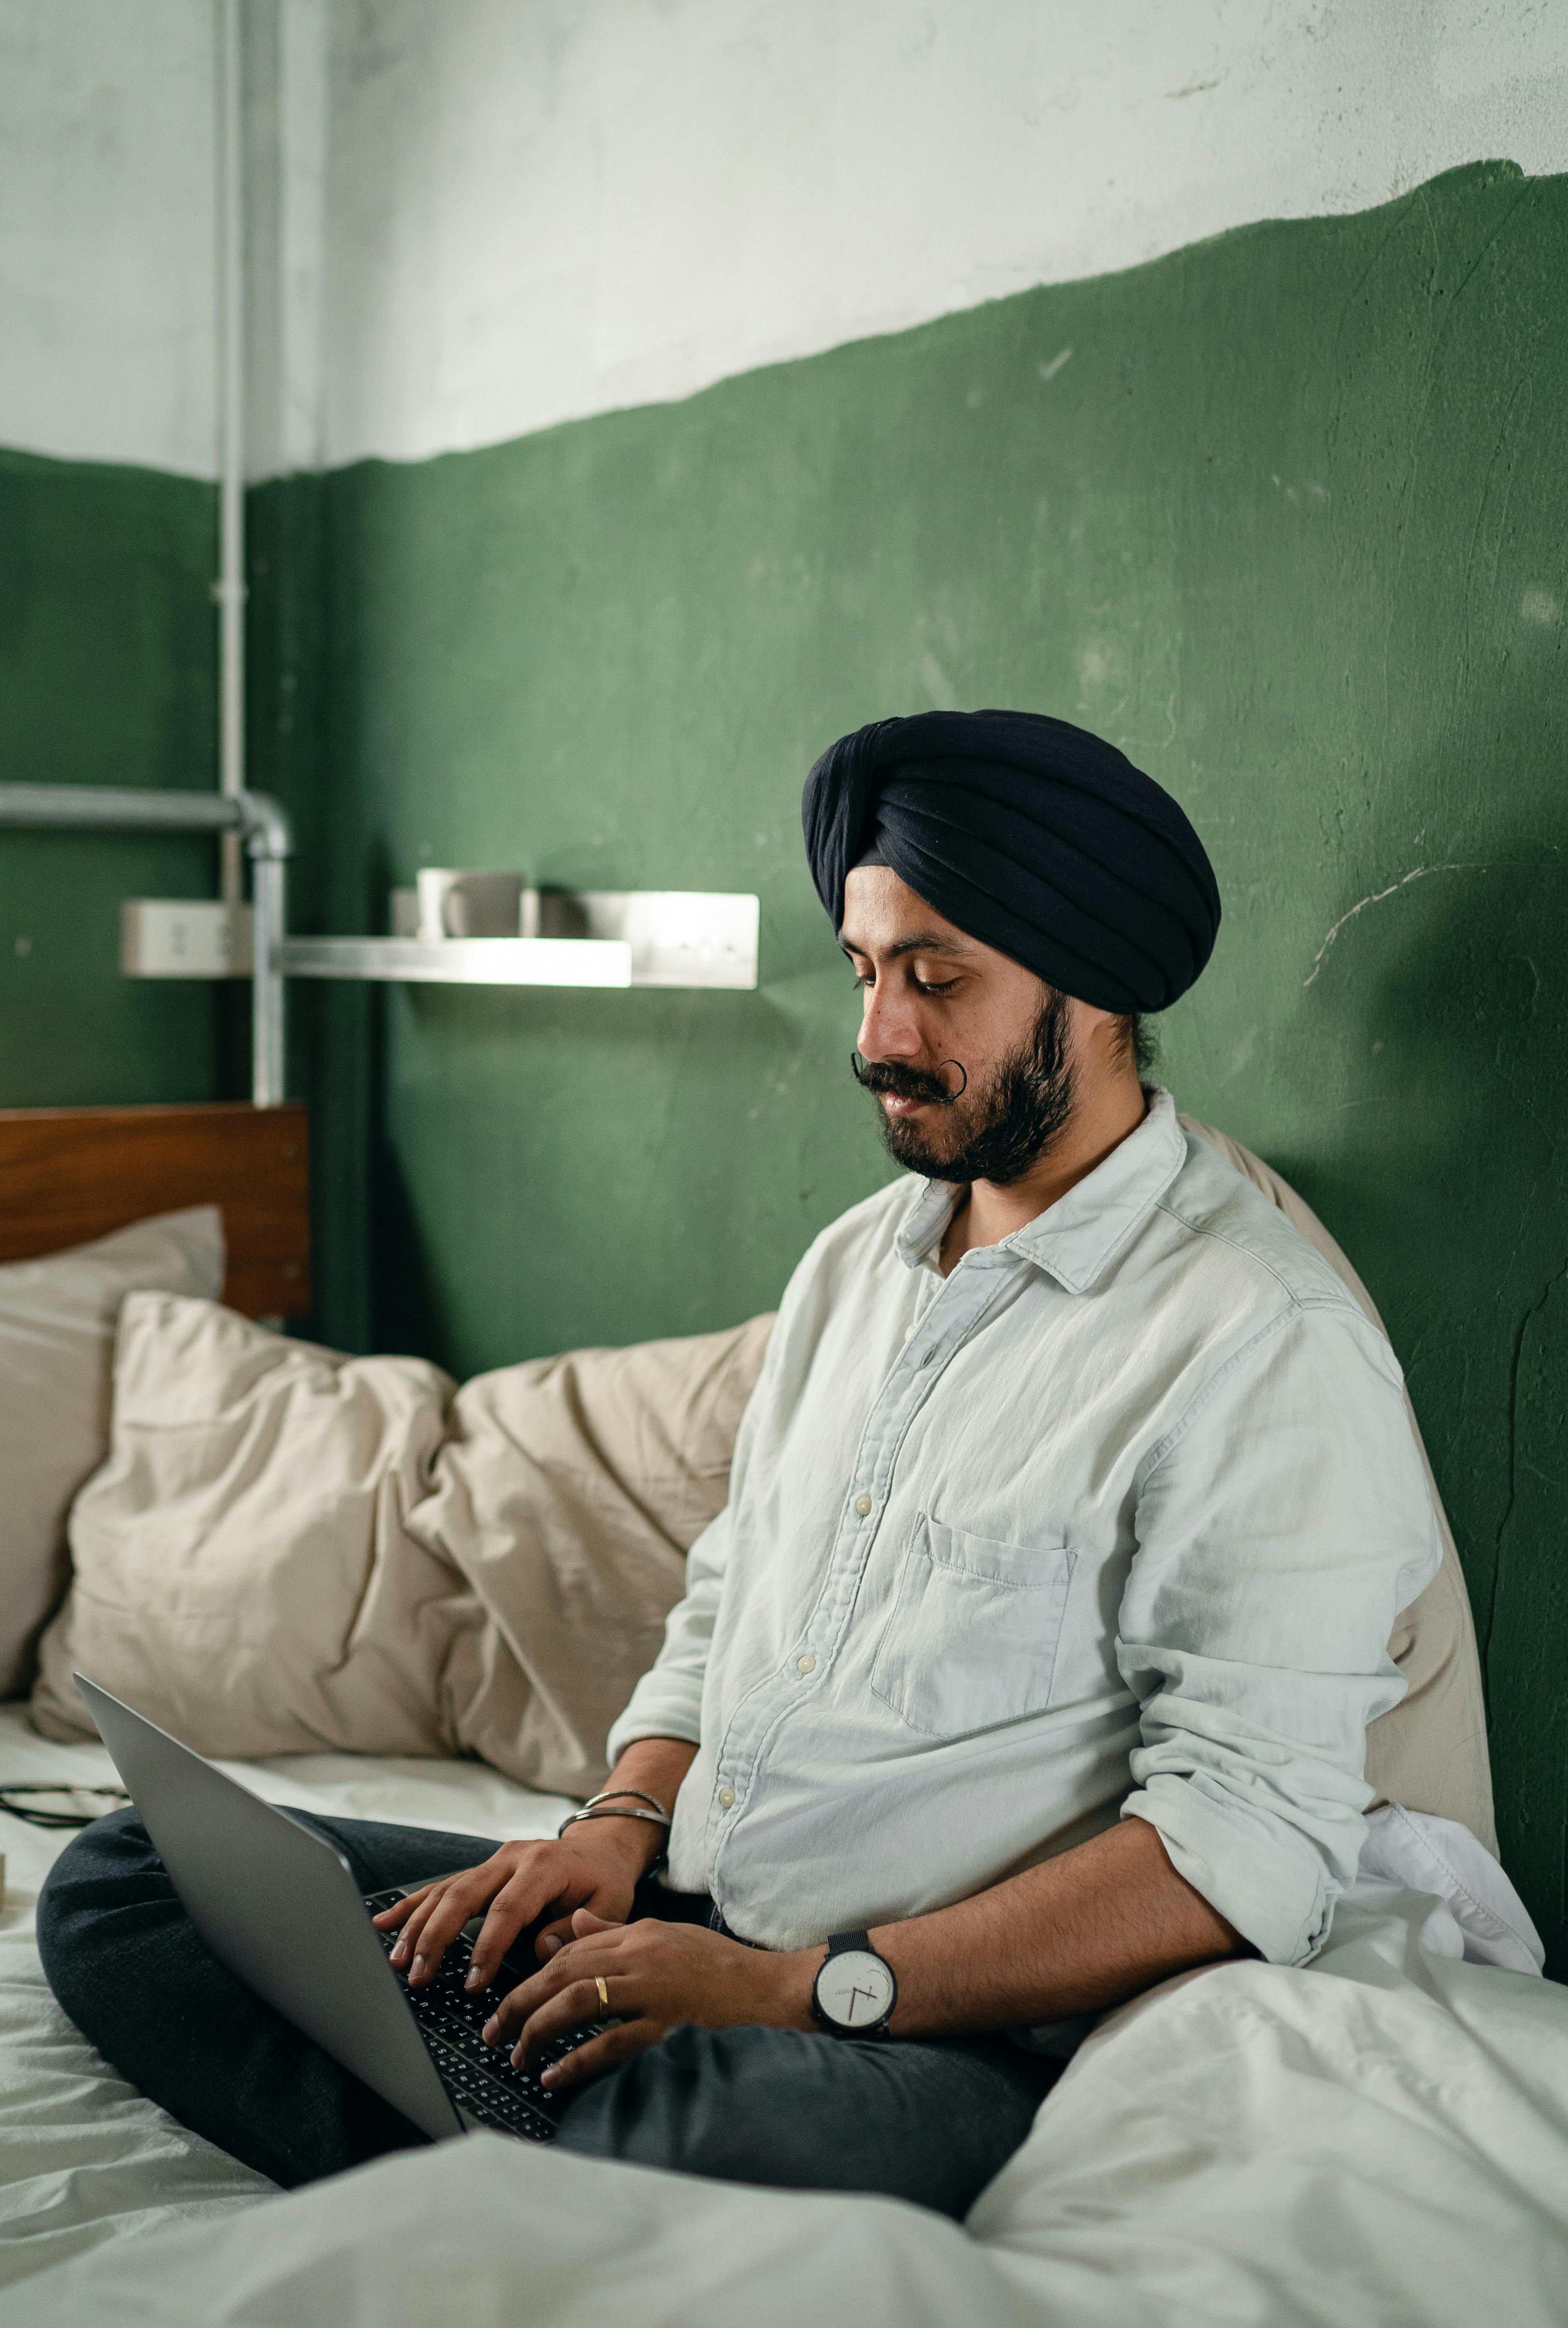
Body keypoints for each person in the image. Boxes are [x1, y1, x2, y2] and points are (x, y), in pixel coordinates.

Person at [39, 708, 1439, 2220]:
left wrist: (790, 1991)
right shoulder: (858, 1266)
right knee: (126, 1879)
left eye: (937, 979)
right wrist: (617, 1825)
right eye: (864, 971)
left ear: (1094, 988)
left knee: (708, 2142)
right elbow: (730, 1607)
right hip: (683, 1904)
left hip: (916, 2019)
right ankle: (514, 2148)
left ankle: (511, 2149)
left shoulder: (1259, 1335)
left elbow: (1244, 1842)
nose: (878, 1041)